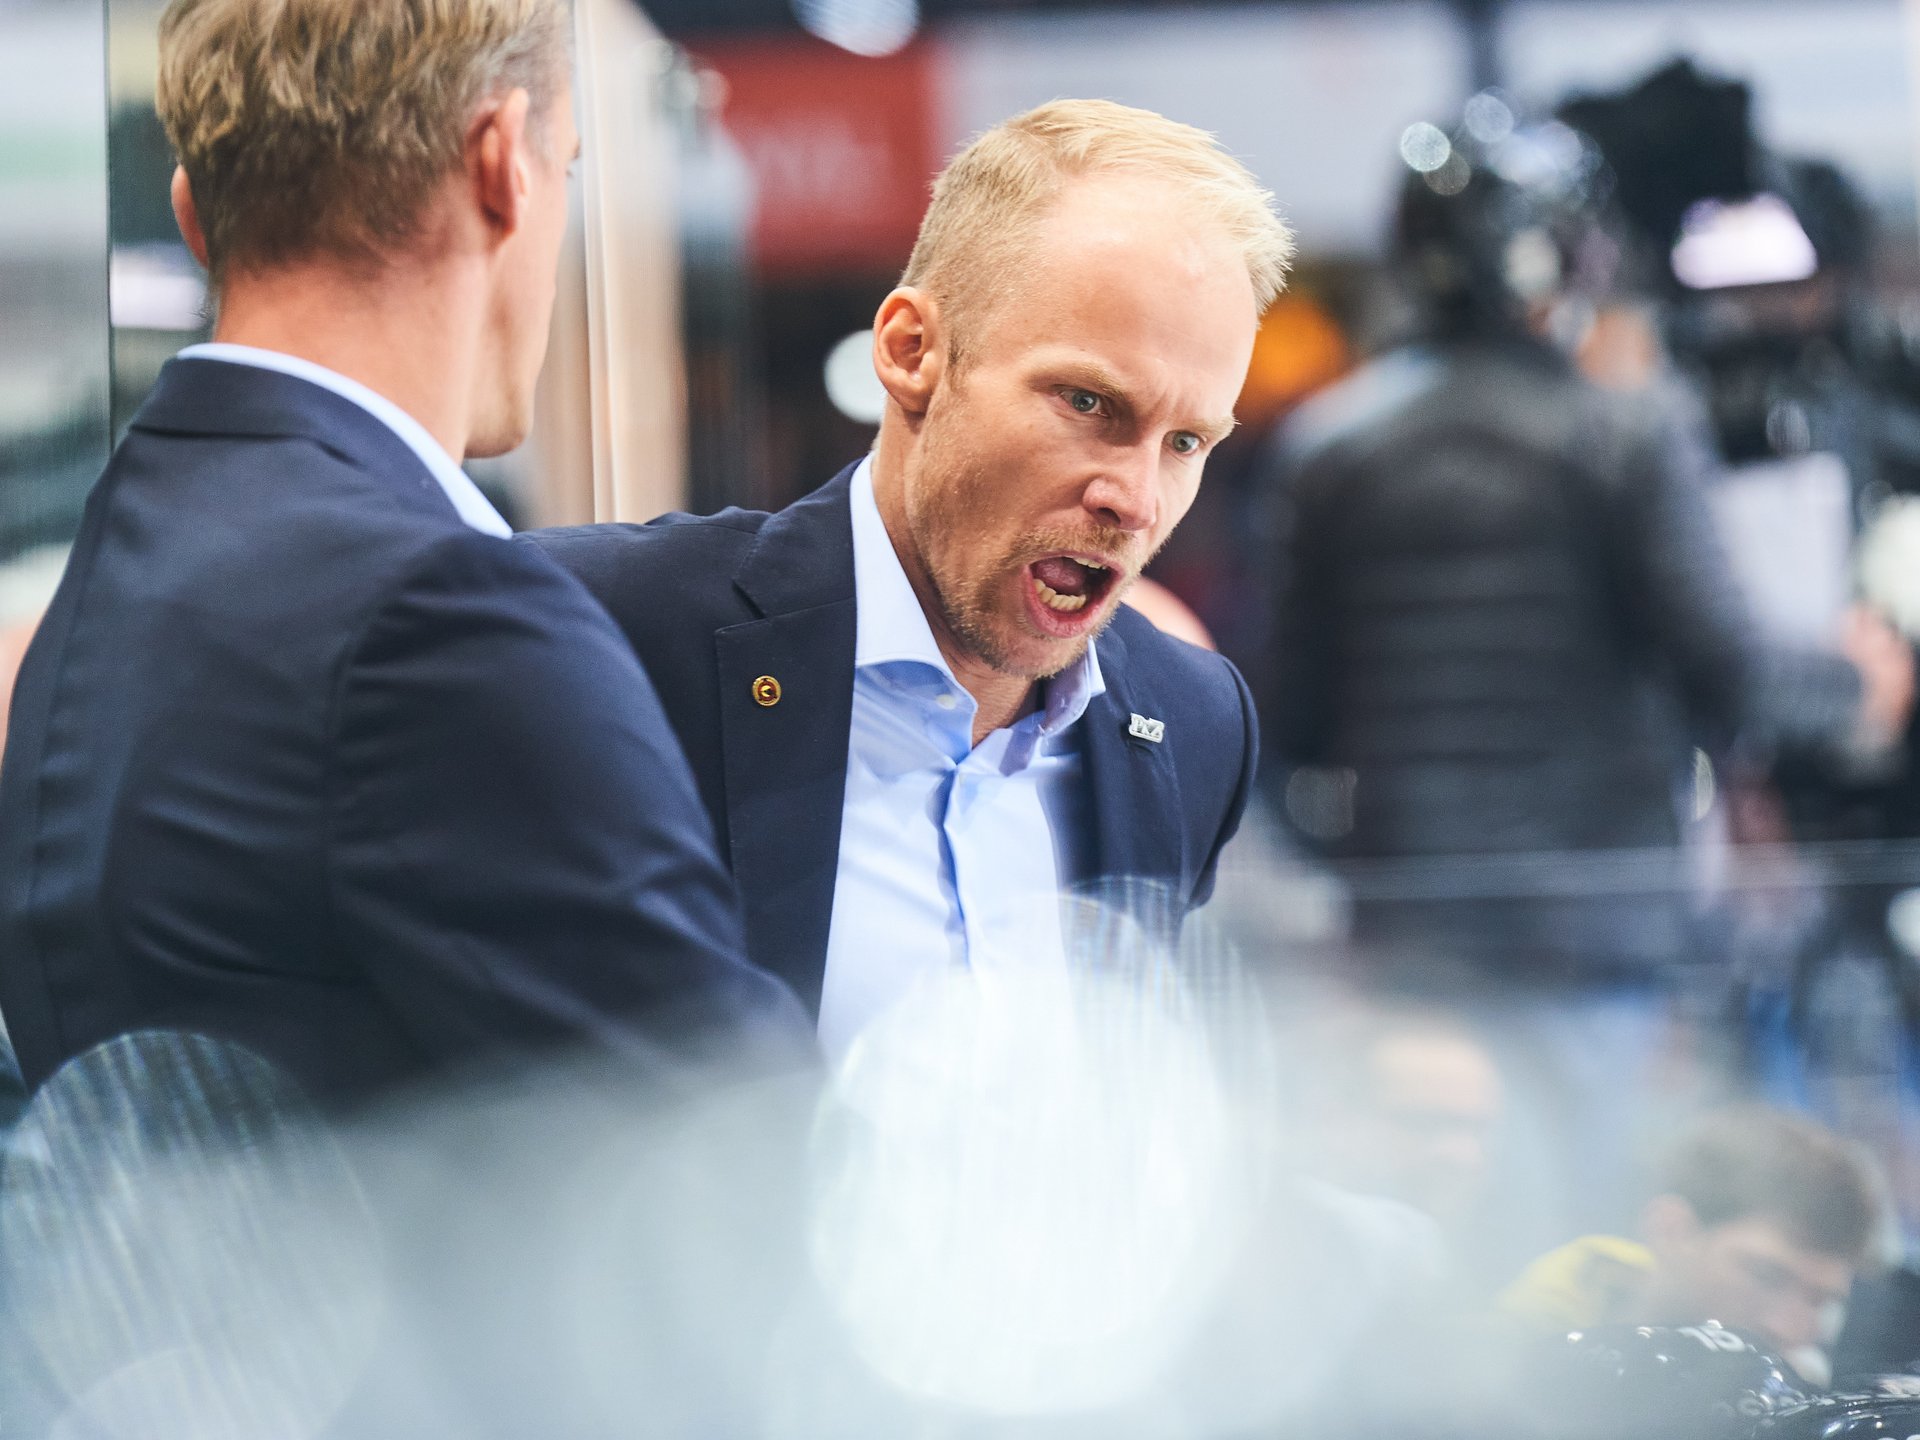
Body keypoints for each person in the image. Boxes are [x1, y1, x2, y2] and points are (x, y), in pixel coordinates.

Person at [0, 0, 802, 1107]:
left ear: (191, 216)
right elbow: (736, 1124)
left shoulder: (117, 557)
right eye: (567, 166)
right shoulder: (440, 615)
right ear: (501, 164)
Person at [529, 100, 1291, 1056]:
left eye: (1185, 443)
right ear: (911, 353)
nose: (1135, 500)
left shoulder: (1196, 722)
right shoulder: (602, 638)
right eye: (1089, 403)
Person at [1501, 1106, 1887, 1380]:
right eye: (1766, 1277)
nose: (1787, 1329)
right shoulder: (1514, 1360)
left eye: (1819, 1301)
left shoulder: (1799, 1387)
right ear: (1671, 1230)